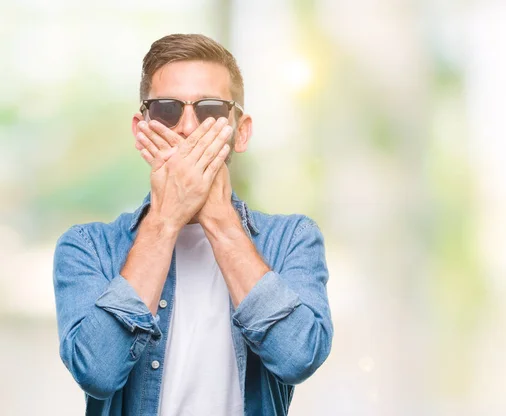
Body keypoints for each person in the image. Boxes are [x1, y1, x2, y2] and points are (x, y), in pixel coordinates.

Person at [52, 33, 333, 416]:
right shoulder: (87, 247)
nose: (187, 127)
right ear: (141, 129)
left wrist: (220, 221)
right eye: (168, 109)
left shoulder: (293, 239)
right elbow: (97, 372)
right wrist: (164, 221)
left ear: (241, 131)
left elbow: (298, 358)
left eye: (210, 109)